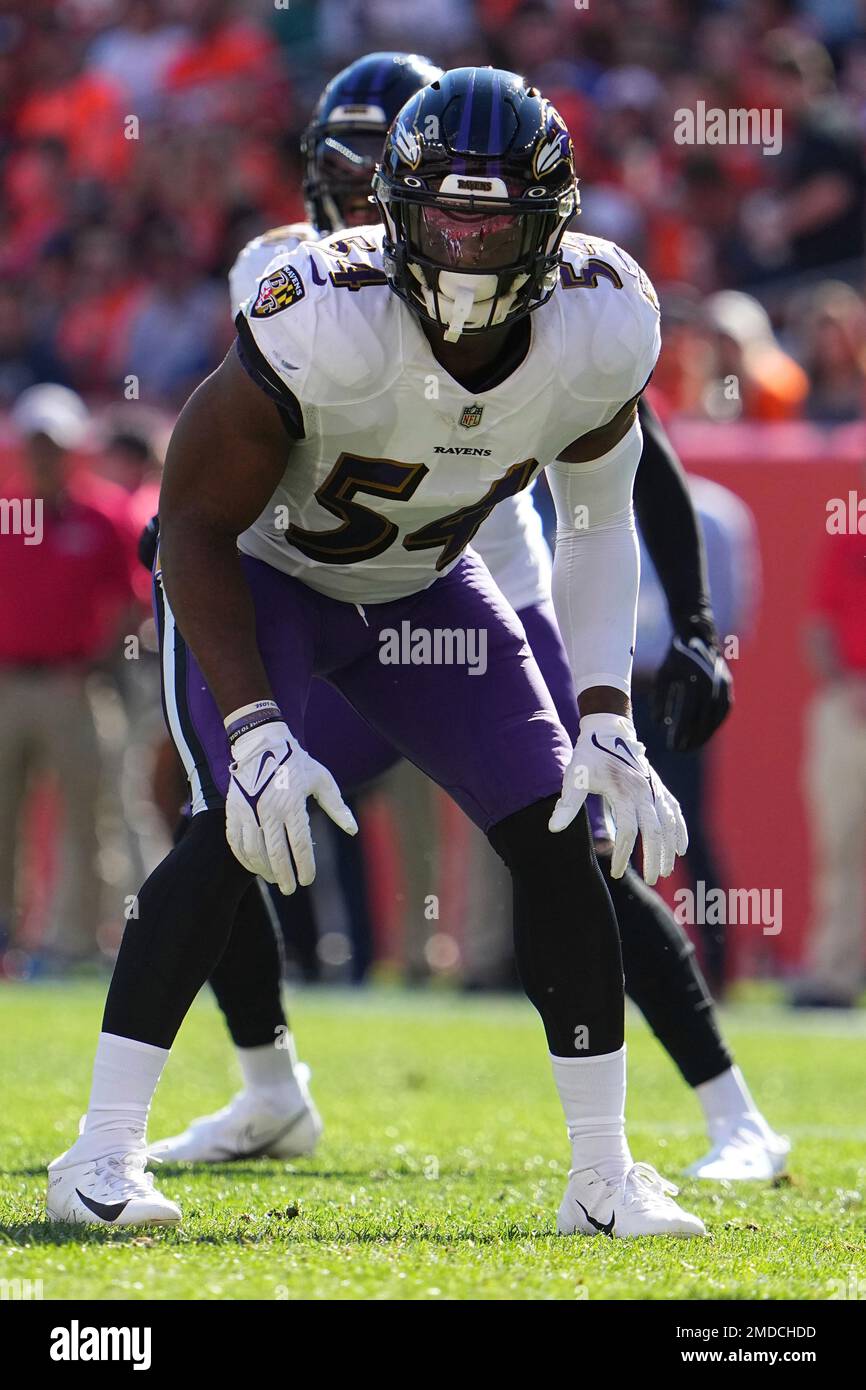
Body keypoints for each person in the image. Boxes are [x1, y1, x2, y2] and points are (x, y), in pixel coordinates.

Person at [48, 66, 708, 1240]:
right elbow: (192, 521)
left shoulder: (600, 321)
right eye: (444, 213)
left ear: (550, 221)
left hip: (427, 589)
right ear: (392, 212)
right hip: (269, 578)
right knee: (232, 828)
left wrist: (604, 708)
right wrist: (255, 729)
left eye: (492, 216)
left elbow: (598, 517)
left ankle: (601, 1176)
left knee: (556, 829)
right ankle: (99, 1157)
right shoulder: (324, 312)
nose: (464, 242)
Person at [0, 385, 135, 968]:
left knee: (90, 818)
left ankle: (79, 943)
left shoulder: (102, 515)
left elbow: (133, 598)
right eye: (35, 446)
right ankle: (10, 938)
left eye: (53, 446)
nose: (43, 458)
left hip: (73, 684)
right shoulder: (8, 515)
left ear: (73, 449)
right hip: (8, 684)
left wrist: (98, 657)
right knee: (5, 818)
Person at [794, 516, 866, 1008]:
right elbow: (819, 625)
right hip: (850, 708)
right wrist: (846, 685)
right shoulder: (849, 537)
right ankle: (836, 973)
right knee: (840, 842)